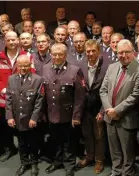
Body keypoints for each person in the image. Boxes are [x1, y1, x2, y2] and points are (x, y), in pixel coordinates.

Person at [100, 39, 139, 176]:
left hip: (126, 118)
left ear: (133, 52)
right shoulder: (112, 67)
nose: (123, 55)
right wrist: (109, 110)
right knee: (114, 149)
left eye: (127, 52)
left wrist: (116, 111)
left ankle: (127, 173)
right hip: (110, 117)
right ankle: (116, 171)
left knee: (128, 152)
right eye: (120, 52)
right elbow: (103, 90)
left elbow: (135, 96)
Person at [42, 43, 85, 176]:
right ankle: (57, 161)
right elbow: (44, 93)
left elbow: (79, 97)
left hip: (68, 113)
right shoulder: (45, 68)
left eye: (60, 54)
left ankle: (69, 165)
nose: (57, 57)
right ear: (51, 54)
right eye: (54, 54)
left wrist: (76, 116)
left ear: (65, 55)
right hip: (51, 112)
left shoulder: (74, 70)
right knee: (55, 139)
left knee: (69, 141)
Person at [0, 31, 32, 162]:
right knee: (6, 127)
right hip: (5, 99)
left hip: (23, 99)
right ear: (5, 41)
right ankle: (11, 148)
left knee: (24, 126)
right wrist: (4, 90)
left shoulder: (27, 55)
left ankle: (26, 150)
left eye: (14, 39)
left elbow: (32, 75)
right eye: (9, 40)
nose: (11, 42)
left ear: (18, 40)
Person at [6, 55, 44, 176]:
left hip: (30, 118)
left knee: (33, 142)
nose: (23, 68)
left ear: (30, 65)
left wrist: (34, 118)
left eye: (26, 65)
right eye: (20, 65)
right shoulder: (11, 79)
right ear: (17, 65)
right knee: (21, 143)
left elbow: (39, 101)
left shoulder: (37, 79)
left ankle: (34, 164)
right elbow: (8, 100)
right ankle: (24, 163)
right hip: (17, 118)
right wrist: (10, 116)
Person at [77, 40, 109, 174]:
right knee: (87, 134)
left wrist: (103, 111)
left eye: (93, 51)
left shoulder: (107, 67)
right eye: (88, 51)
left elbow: (108, 91)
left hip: (99, 107)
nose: (90, 54)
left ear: (99, 52)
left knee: (99, 136)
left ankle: (99, 161)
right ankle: (89, 156)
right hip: (85, 108)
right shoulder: (81, 66)